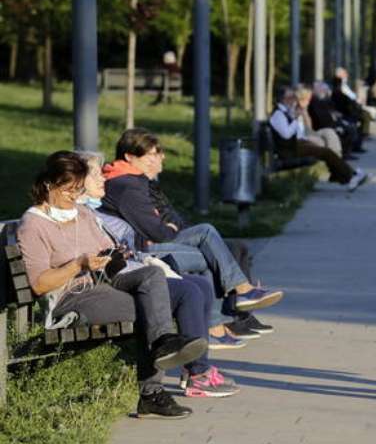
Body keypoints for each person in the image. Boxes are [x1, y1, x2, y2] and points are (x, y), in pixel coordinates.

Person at [17, 151, 208, 418]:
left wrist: (115, 255)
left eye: (77, 190)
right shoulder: (33, 224)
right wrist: (78, 265)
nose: (73, 197)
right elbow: (39, 284)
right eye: (68, 190)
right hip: (70, 296)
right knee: (147, 308)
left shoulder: (82, 213)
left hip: (103, 281)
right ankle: (151, 392)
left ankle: (165, 340)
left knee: (152, 278)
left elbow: (104, 250)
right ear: (49, 184)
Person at [99, 128, 283, 347]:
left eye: (159, 153)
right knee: (206, 234)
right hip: (142, 252)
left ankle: (219, 325)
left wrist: (170, 226)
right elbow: (156, 231)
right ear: (130, 157)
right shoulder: (125, 185)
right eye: (152, 154)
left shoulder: (135, 181)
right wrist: (169, 228)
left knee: (217, 249)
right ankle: (240, 296)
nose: (160, 158)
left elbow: (167, 219)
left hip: (150, 244)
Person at [78, 150, 240, 396]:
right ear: (76, 182)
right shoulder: (82, 214)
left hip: (133, 269)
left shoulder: (96, 210)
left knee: (201, 285)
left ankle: (195, 369)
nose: (102, 178)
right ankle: (198, 374)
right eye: (94, 174)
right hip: (113, 282)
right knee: (189, 291)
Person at [270, 87, 370, 191]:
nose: (293, 100)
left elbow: (297, 132)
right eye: (290, 97)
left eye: (293, 97)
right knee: (325, 152)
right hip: (289, 150)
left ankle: (346, 175)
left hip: (295, 144)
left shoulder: (285, 112)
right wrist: (295, 119)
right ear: (282, 99)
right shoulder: (278, 115)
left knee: (326, 151)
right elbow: (286, 135)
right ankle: (351, 177)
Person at [309, 80, 365, 158]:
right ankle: (345, 153)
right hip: (325, 125)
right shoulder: (314, 100)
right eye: (319, 88)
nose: (322, 89)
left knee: (352, 125)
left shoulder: (322, 99)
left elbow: (330, 108)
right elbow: (320, 117)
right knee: (348, 128)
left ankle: (348, 151)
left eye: (322, 88)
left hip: (331, 122)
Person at [294, 86, 344, 158]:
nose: (309, 102)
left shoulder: (305, 110)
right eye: (307, 99)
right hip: (302, 138)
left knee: (329, 132)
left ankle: (337, 158)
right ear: (300, 100)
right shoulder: (294, 111)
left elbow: (310, 129)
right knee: (322, 142)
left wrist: (305, 112)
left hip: (310, 133)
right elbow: (302, 131)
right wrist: (303, 113)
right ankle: (335, 161)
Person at [332, 67, 375, 137]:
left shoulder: (341, 85)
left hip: (349, 107)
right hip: (347, 110)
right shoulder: (340, 86)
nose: (347, 75)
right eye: (344, 74)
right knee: (364, 115)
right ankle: (362, 134)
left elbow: (350, 96)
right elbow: (349, 98)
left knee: (365, 114)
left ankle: (362, 134)